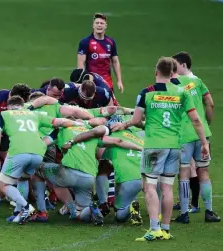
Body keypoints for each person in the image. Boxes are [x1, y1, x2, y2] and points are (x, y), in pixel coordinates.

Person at [112, 57, 210, 241]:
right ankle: (165, 229)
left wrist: (125, 125)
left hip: (154, 147)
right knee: (166, 188)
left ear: (156, 72)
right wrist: (204, 143)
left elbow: (135, 120)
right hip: (174, 146)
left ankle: (154, 229)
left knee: (149, 187)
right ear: (173, 73)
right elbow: (196, 120)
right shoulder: (181, 93)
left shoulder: (146, 92)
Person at [0, 96, 81, 224]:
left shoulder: (5, 114)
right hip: (38, 153)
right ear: (22, 106)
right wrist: (78, 123)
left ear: (9, 106)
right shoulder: (34, 114)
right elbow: (58, 122)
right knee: (22, 178)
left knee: (4, 184)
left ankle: (25, 208)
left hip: (18, 152)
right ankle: (14, 212)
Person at [171, 52, 220, 223]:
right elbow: (210, 103)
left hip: (183, 135)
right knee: (204, 172)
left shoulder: (173, 84)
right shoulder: (198, 82)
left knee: (183, 173)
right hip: (202, 133)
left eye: (175, 64)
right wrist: (207, 123)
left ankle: (184, 213)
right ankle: (209, 211)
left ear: (183, 65)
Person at [76, 13, 123, 93]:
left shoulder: (111, 42)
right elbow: (81, 62)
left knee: (109, 104)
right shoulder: (85, 42)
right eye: (97, 23)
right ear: (93, 25)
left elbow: (115, 61)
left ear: (106, 26)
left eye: (102, 23)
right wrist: (83, 80)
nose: (99, 25)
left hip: (107, 82)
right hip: (92, 81)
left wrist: (119, 81)